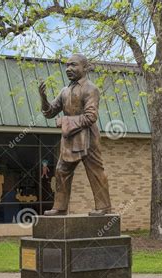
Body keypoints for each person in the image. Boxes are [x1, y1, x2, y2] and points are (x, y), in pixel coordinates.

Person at [39, 54, 111, 216]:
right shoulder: (65, 91)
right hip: (70, 139)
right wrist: (43, 98)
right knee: (61, 170)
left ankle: (104, 207)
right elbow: (49, 112)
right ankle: (60, 207)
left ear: (85, 68)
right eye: (67, 66)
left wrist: (64, 121)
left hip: (88, 138)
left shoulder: (91, 89)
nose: (69, 69)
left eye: (73, 65)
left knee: (95, 171)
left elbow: (91, 117)